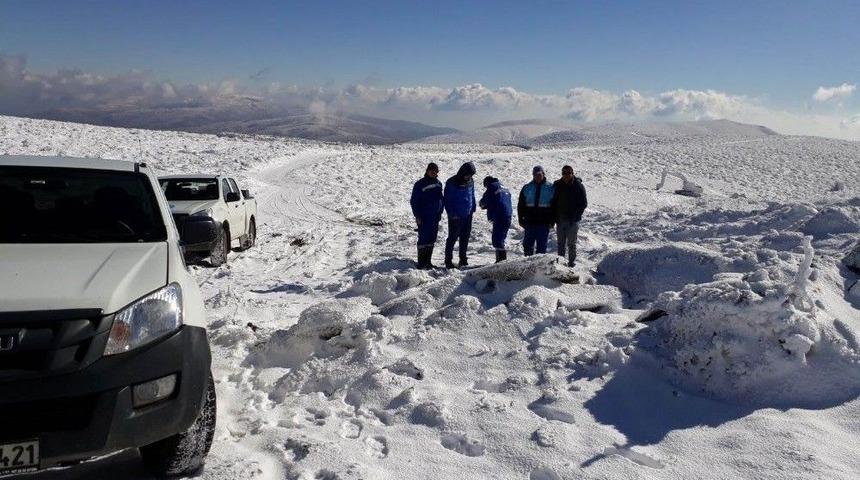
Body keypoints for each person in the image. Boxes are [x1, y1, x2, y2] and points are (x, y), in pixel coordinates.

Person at [551, 165, 588, 267]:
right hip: (560, 219)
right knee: (560, 244)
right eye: (564, 173)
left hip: (572, 221)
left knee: (571, 244)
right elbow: (553, 202)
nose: (566, 175)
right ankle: (561, 263)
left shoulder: (578, 185)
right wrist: (554, 217)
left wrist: (576, 216)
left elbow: (583, 203)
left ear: (572, 173)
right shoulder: (558, 185)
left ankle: (571, 263)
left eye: (568, 173)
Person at [410, 162, 443, 269]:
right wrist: (417, 215)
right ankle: (421, 263)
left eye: (436, 171)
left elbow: (441, 199)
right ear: (427, 170)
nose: (434, 173)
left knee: (432, 239)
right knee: (423, 239)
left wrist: (440, 212)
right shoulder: (420, 184)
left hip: (435, 217)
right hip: (424, 216)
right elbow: (414, 201)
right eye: (432, 170)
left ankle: (428, 262)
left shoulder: (438, 184)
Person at [443, 162, 477, 268]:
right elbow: (447, 200)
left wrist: (473, 208)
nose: (469, 177)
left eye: (471, 175)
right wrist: (452, 214)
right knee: (452, 238)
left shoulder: (471, 181)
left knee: (465, 237)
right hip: (455, 216)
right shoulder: (452, 182)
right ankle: (448, 260)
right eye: (468, 174)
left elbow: (472, 195)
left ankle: (463, 259)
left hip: (467, 215)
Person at [517, 165, 555, 256]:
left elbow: (554, 206)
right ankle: (528, 266)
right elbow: (521, 205)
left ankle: (540, 267)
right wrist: (520, 219)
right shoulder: (527, 187)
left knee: (541, 248)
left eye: (539, 174)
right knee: (527, 246)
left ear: (543, 174)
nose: (537, 176)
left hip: (544, 223)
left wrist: (552, 221)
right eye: (535, 174)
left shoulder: (551, 188)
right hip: (530, 222)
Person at [479, 176, 513, 263]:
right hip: (508, 215)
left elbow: (484, 202)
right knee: (501, 239)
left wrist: (481, 204)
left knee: (497, 239)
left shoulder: (492, 186)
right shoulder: (504, 187)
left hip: (499, 215)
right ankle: (502, 261)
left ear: (487, 184)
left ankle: (501, 262)